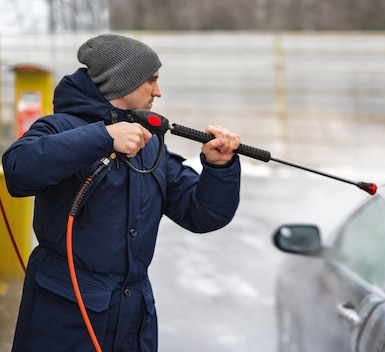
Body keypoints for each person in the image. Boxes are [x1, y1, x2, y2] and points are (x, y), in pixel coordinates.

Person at [2, 33, 241, 351]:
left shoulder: (148, 143)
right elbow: (19, 171)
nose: (158, 91)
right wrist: (101, 137)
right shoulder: (60, 128)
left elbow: (203, 214)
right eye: (151, 81)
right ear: (122, 81)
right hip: (65, 315)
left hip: (133, 319)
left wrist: (219, 168)